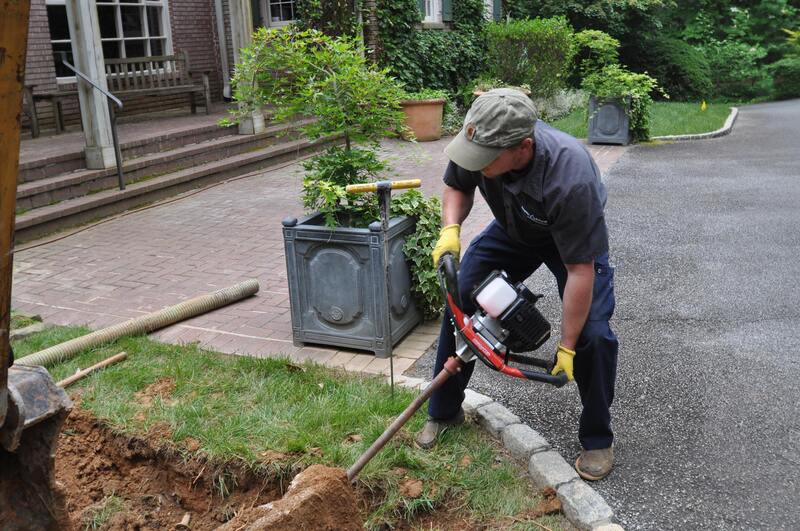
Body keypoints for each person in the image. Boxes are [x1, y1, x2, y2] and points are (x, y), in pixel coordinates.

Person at [415, 88, 619, 481]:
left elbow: (580, 271)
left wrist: (566, 346)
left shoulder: (570, 177)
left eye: (485, 161)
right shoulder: (484, 139)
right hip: (514, 231)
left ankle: (597, 438)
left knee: (593, 335)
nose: (477, 163)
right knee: (459, 295)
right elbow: (458, 185)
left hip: (571, 244)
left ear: (523, 148)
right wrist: (451, 230)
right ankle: (444, 411)